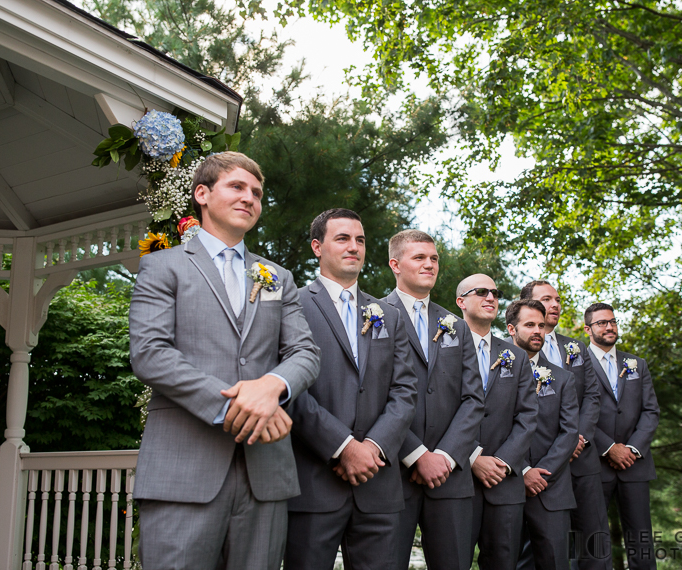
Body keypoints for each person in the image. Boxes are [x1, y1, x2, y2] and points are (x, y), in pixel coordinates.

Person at [129, 152, 321, 570]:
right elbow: (150, 353)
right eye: (237, 187)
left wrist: (272, 388)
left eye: (257, 192)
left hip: (265, 476)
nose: (249, 198)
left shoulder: (276, 277)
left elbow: (304, 352)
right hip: (184, 471)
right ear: (202, 193)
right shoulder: (163, 267)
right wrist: (239, 407)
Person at [284, 209, 419, 569]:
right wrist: (343, 448)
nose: (354, 247)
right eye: (342, 238)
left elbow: (405, 390)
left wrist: (372, 448)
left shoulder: (388, 314)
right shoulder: (291, 305)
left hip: (378, 484)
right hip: (313, 482)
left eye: (359, 240)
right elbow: (289, 389)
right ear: (317, 246)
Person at [384, 230, 484, 570]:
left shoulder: (456, 325)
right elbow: (372, 396)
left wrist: (444, 455)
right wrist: (416, 455)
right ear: (395, 264)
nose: (430, 264)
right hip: (392, 473)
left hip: (450, 474)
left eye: (434, 258)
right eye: (420, 258)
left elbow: (473, 399)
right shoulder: (375, 315)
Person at [520, 281, 608, 568]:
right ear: (528, 305)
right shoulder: (517, 351)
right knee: (541, 547)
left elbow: (592, 396)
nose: (556, 304)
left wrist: (578, 437)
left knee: (594, 542)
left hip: (582, 459)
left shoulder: (576, 347)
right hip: (541, 463)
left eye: (558, 299)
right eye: (547, 299)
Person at [457, 274, 538, 570]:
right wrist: (473, 457)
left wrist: (503, 461)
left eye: (495, 292)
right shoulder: (443, 347)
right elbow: (434, 411)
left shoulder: (515, 356)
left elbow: (528, 415)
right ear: (460, 301)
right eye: (481, 291)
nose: (491, 297)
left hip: (505, 484)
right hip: (457, 479)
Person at [585, 303, 660, 570]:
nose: (609, 327)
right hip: (595, 464)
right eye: (602, 323)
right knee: (591, 542)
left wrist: (632, 449)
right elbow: (577, 414)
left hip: (635, 465)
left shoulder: (636, 363)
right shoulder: (577, 364)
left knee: (641, 541)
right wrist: (609, 447)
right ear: (588, 329)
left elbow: (651, 411)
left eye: (613, 321)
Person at [507, 299, 578, 570]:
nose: (538, 330)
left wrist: (540, 473)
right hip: (505, 484)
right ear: (512, 329)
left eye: (541, 325)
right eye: (529, 325)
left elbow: (569, 431)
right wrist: (523, 470)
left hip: (551, 488)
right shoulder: (491, 369)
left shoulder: (563, 378)